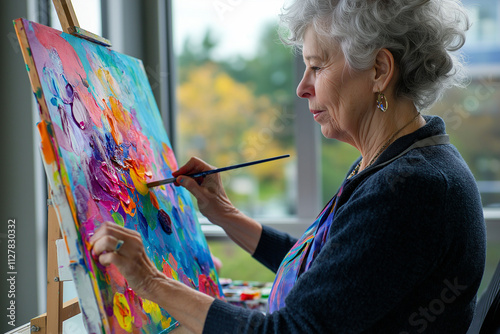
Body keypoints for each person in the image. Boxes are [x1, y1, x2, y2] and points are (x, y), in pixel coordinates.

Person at [90, 0, 487, 332]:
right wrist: (223, 213)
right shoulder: (399, 162)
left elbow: (292, 332)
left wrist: (150, 281)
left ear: (380, 71)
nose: (302, 87)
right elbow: (328, 271)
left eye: (317, 66)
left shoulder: (412, 189)